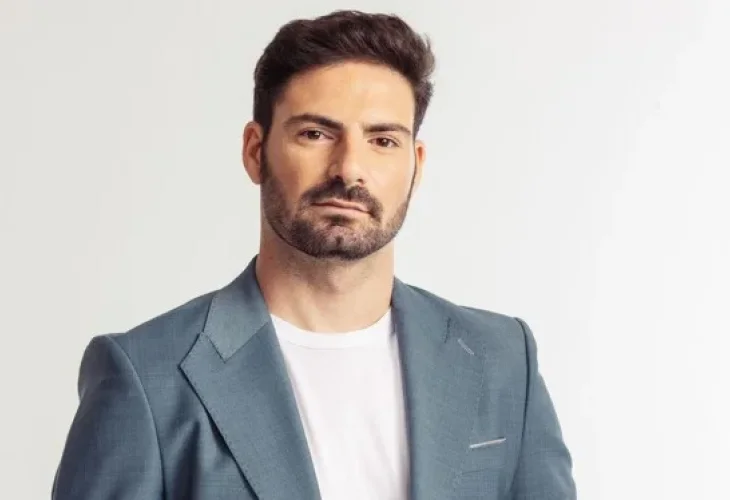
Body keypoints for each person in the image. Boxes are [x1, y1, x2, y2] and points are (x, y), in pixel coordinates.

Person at [52, 10, 576, 500]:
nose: (349, 168)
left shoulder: (504, 361)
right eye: (315, 133)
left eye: (383, 140)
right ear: (255, 151)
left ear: (416, 164)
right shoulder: (145, 376)